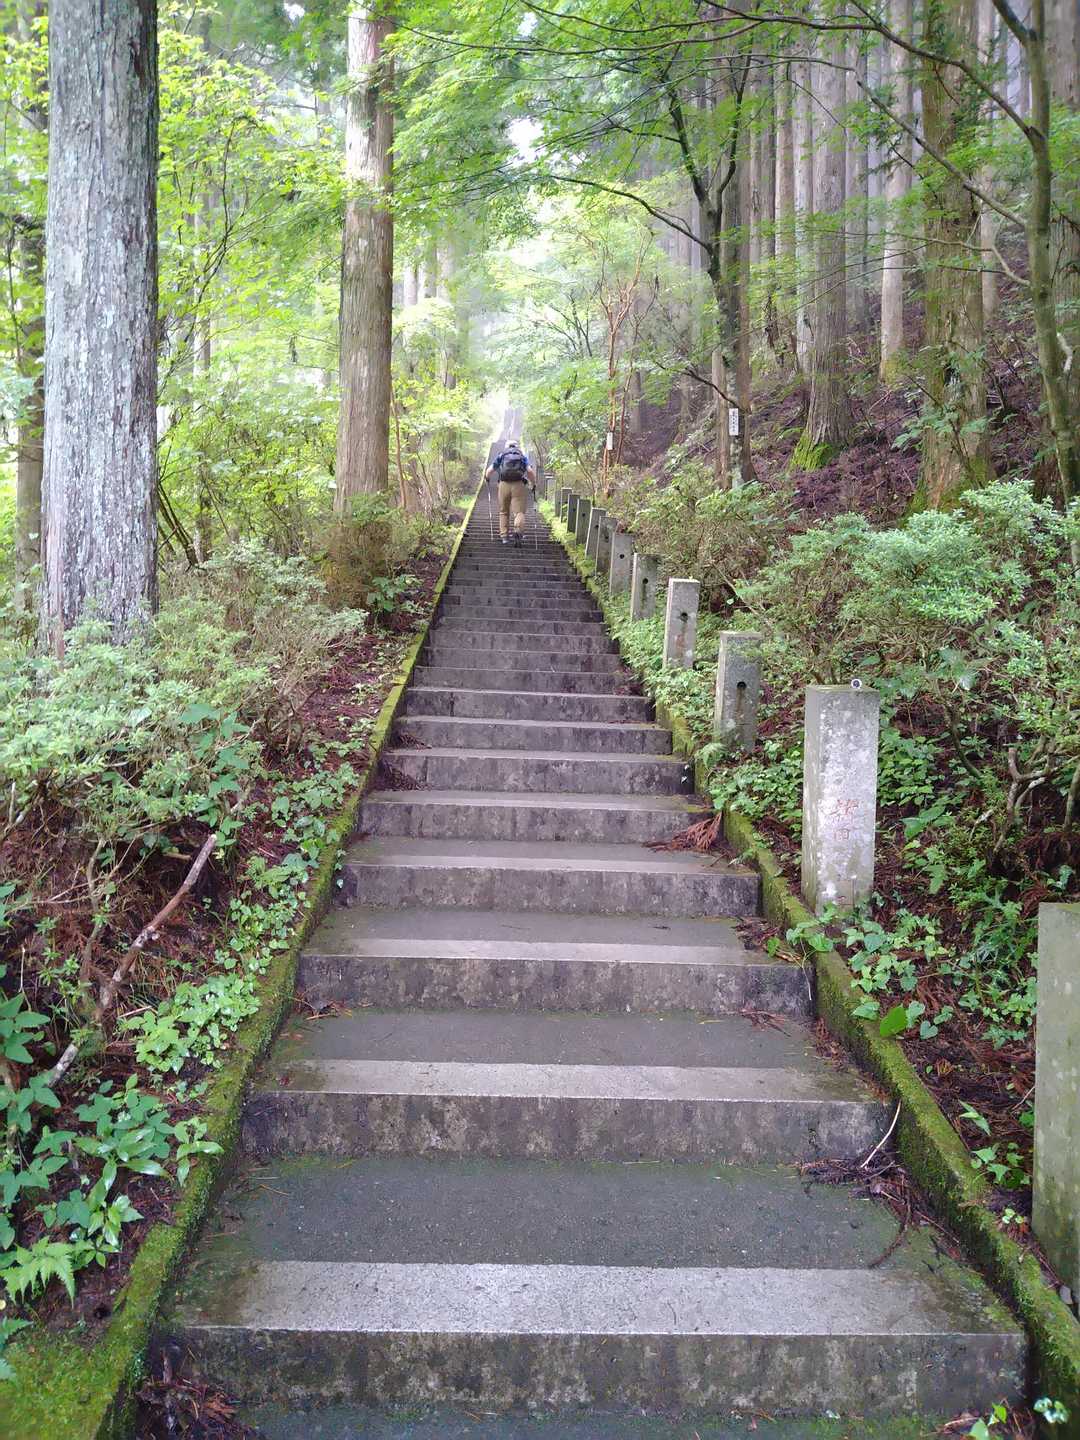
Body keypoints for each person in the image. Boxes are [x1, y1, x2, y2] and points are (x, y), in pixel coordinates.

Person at [484, 441, 536, 546]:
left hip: (503, 484)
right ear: (517, 447)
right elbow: (530, 471)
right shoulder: (522, 456)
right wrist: (533, 483)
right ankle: (518, 531)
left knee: (504, 511)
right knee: (519, 512)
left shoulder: (502, 455)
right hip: (519, 485)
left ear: (506, 447)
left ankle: (504, 537)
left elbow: (489, 471)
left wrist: (487, 479)